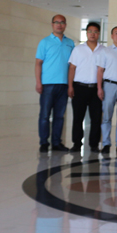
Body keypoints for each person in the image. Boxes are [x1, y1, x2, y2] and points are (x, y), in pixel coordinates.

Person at [35, 14, 75, 153]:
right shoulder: (44, 42)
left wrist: (71, 85)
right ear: (52, 24)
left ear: (65, 25)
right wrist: (38, 82)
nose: (59, 25)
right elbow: (38, 63)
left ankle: (57, 142)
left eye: (62, 22)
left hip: (64, 84)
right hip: (48, 84)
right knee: (45, 115)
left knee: (59, 116)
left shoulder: (70, 43)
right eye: (56, 22)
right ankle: (44, 143)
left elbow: (72, 66)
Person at [67, 21, 104, 153]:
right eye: (90, 31)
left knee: (96, 118)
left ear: (99, 33)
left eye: (95, 32)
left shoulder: (103, 50)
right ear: (86, 33)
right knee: (78, 117)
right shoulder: (78, 49)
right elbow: (72, 68)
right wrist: (70, 86)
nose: (92, 34)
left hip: (96, 89)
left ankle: (94, 144)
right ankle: (77, 143)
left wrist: (100, 88)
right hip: (79, 87)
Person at [96, 26, 117, 155]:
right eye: (116, 33)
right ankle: (106, 144)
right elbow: (100, 70)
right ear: (112, 36)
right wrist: (99, 88)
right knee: (106, 117)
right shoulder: (105, 51)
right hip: (109, 86)